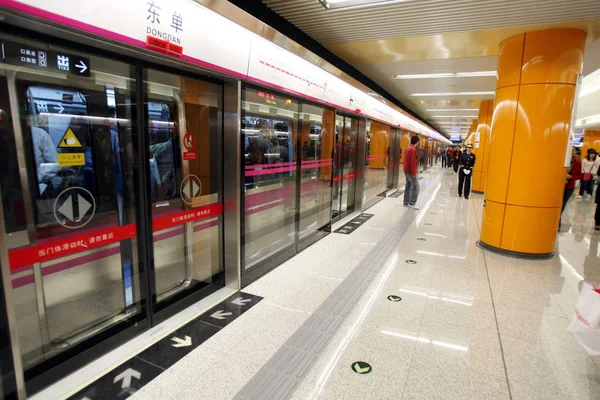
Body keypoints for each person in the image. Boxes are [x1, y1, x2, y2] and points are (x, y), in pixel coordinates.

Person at [560, 148, 582, 230]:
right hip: (558, 186)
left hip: (570, 186)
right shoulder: (560, 159)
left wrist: (572, 177)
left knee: (562, 205)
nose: (572, 151)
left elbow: (580, 175)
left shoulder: (578, 163)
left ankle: (557, 222)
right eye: (570, 149)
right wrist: (562, 178)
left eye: (573, 150)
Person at [403, 135, 420, 209]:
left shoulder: (407, 148)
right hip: (410, 171)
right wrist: (414, 173)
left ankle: (406, 202)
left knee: (408, 186)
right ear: (417, 142)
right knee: (416, 187)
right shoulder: (413, 149)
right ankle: (412, 203)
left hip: (406, 170)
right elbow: (413, 162)